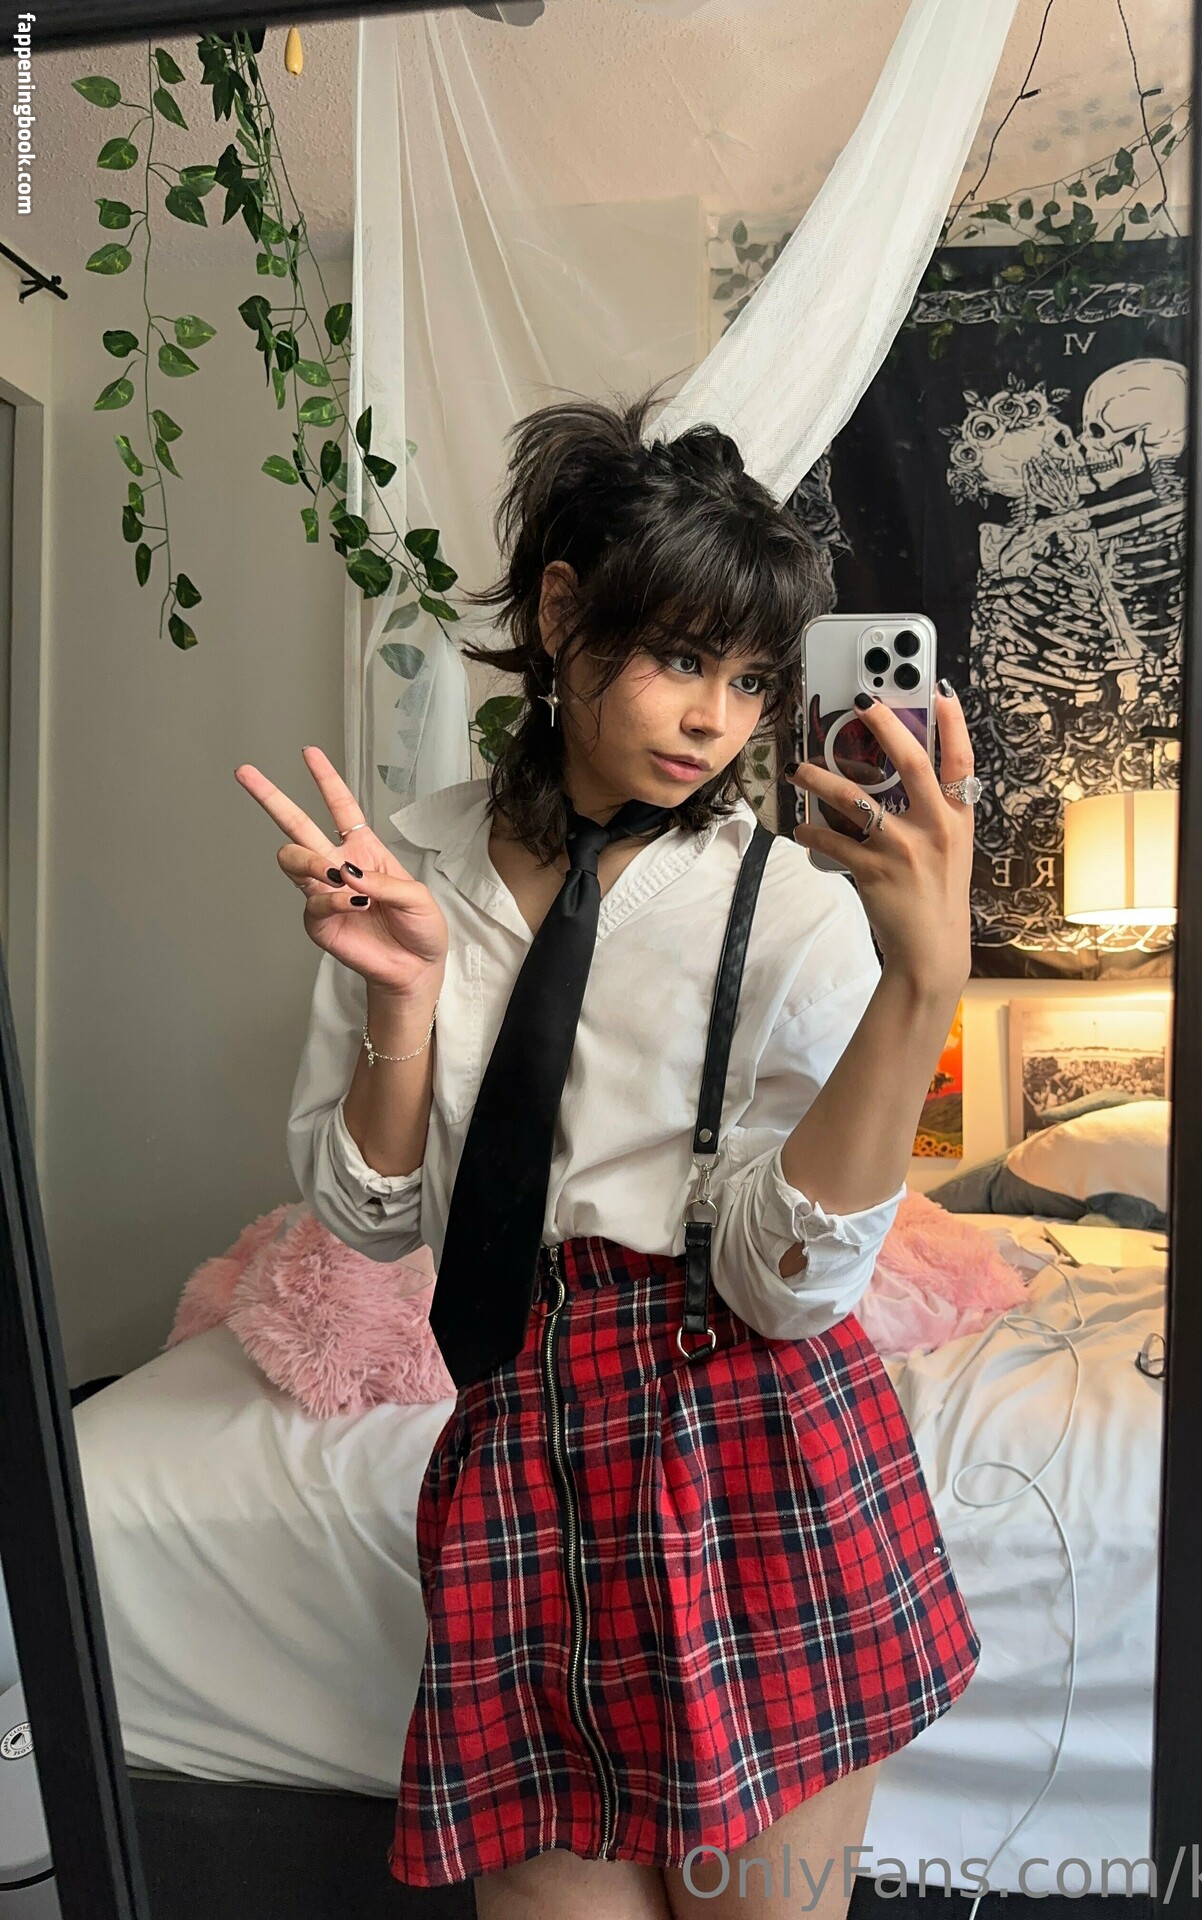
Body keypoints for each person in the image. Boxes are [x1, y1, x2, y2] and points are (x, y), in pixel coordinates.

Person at [236, 388, 981, 1920]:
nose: (717, 720)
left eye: (752, 680)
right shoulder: (412, 860)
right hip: (520, 1441)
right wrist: (405, 1003)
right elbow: (369, 1225)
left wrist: (923, 985)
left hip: (751, 1443)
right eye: (682, 659)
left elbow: (790, 1290)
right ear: (563, 615)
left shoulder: (792, 906)